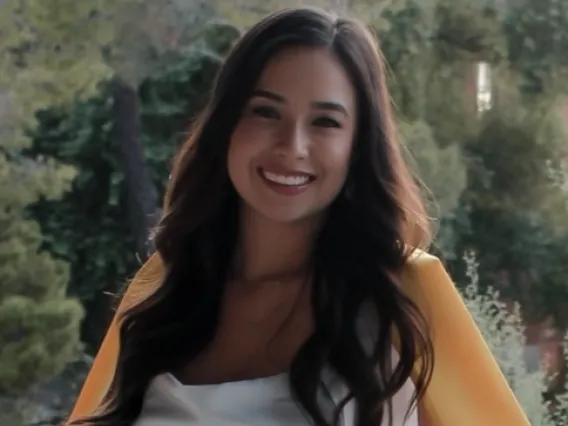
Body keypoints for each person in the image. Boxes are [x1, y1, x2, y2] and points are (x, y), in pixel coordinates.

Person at [66, 7, 530, 426]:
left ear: (357, 147)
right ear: (227, 126)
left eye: (326, 122)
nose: (293, 146)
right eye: (266, 112)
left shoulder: (401, 293)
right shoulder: (167, 282)